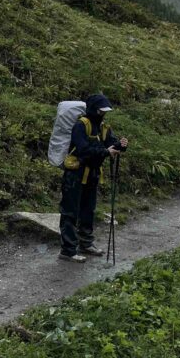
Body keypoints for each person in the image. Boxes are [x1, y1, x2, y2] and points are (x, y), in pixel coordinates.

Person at [58, 93, 128, 263]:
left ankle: (86, 243)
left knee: (88, 210)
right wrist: (106, 152)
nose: (102, 114)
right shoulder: (80, 126)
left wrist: (121, 145)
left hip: (92, 174)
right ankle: (68, 251)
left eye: (104, 111)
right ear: (92, 110)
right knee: (70, 211)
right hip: (75, 174)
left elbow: (109, 143)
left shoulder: (103, 127)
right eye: (100, 111)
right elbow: (83, 150)